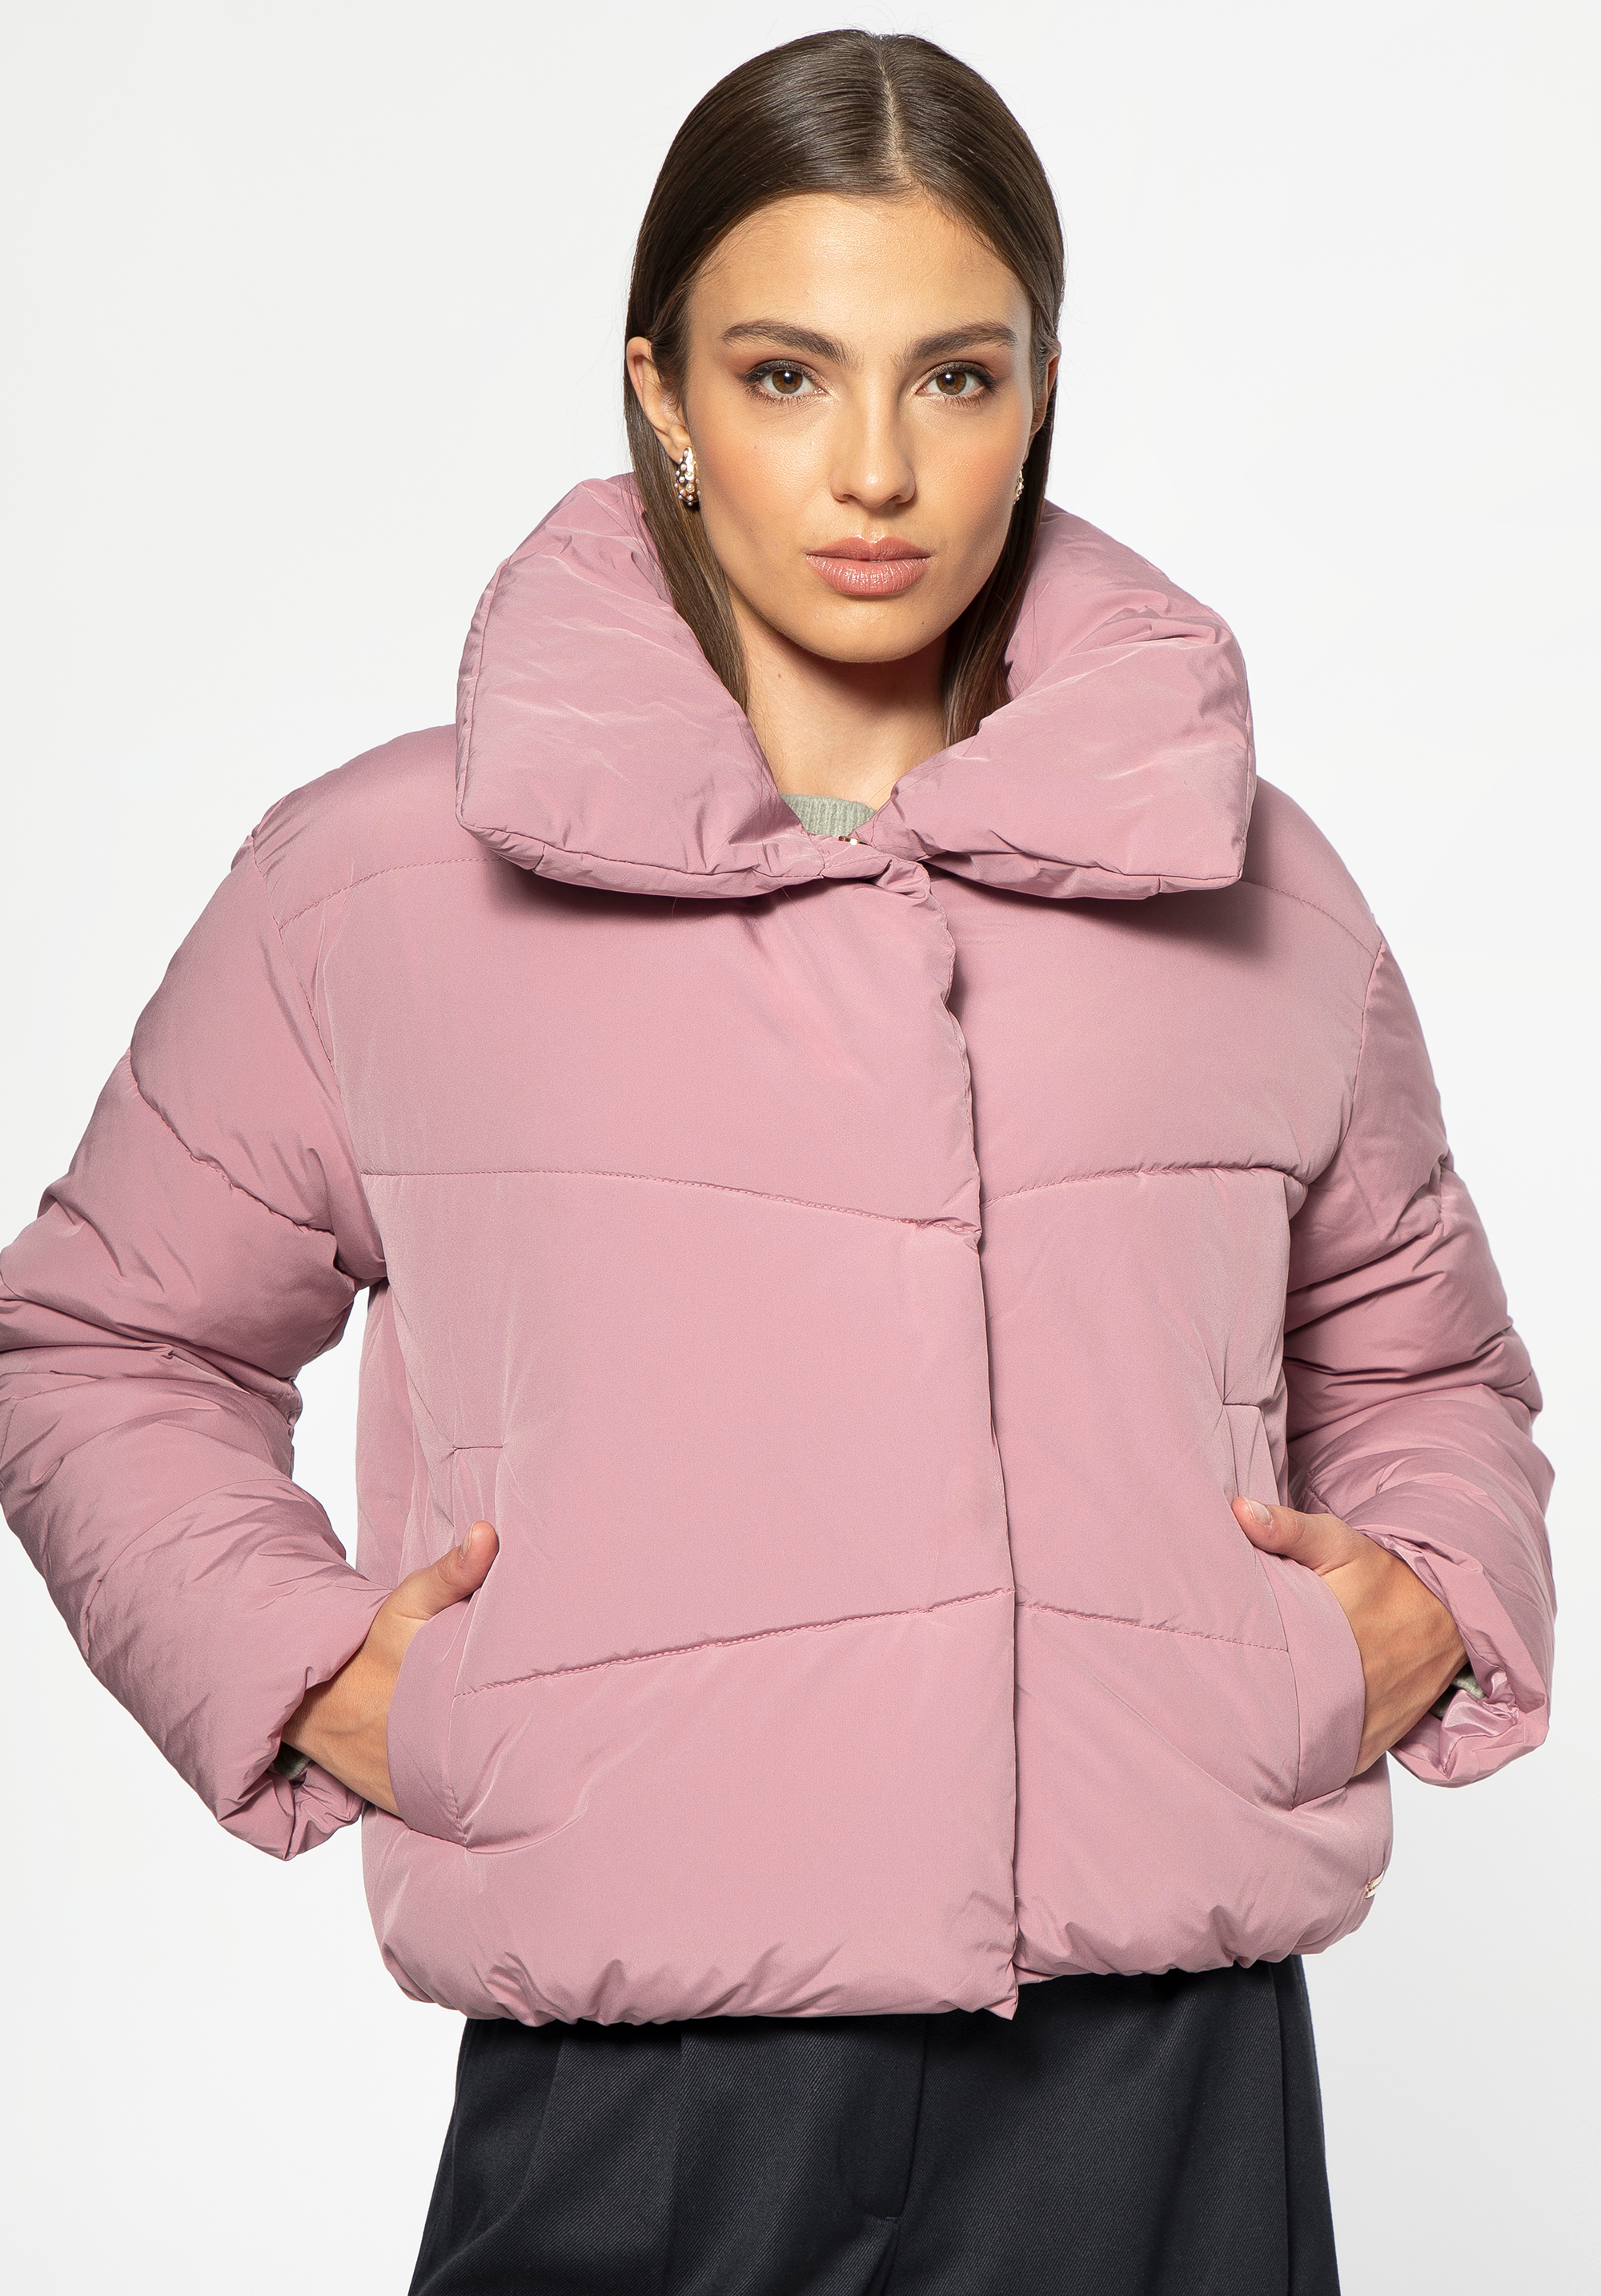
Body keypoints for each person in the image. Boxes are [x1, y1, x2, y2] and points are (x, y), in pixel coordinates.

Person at [0, 29, 1555, 2296]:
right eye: (786, 373)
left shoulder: (1256, 887)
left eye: (955, 378)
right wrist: (318, 1672)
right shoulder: (378, 888)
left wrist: (1425, 1598)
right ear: (661, 394)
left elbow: (1423, 1364)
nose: (876, 469)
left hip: (1165, 2076)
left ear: (1039, 395)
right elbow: (102, 1343)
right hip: (647, 2093)